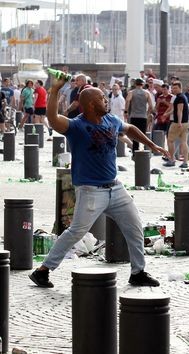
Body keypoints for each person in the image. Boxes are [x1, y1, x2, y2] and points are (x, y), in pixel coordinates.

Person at [28, 76, 169, 288]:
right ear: (92, 105)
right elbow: (53, 118)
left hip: (115, 187)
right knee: (76, 231)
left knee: (135, 227)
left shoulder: (110, 120)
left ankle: (138, 272)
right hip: (90, 190)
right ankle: (43, 270)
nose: (107, 101)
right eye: (103, 98)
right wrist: (56, 90)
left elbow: (129, 128)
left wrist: (151, 145)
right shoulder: (76, 126)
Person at [124, 78, 154, 156]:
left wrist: (126, 111)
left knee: (134, 134)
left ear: (135, 84)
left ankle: (135, 151)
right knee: (143, 134)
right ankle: (146, 150)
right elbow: (151, 106)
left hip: (134, 116)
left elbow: (127, 101)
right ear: (142, 84)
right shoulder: (147, 93)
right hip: (143, 116)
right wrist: (147, 113)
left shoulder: (131, 92)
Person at [163, 81, 189, 168]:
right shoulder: (182, 97)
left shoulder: (179, 98)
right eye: (173, 88)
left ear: (180, 88)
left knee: (170, 140)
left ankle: (171, 159)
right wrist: (166, 114)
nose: (174, 89)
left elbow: (180, 110)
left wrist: (179, 122)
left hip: (178, 123)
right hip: (185, 123)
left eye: (176, 88)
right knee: (184, 142)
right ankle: (185, 162)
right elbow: (175, 109)